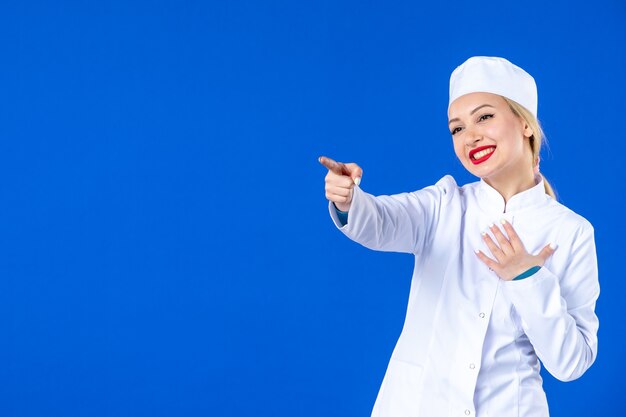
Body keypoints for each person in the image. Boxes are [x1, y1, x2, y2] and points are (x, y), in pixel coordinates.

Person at [318, 56, 600, 417]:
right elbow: (380, 221)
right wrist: (350, 199)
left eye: (484, 117)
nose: (471, 136)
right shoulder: (444, 204)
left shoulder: (571, 231)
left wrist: (528, 278)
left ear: (525, 123)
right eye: (457, 128)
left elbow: (572, 362)